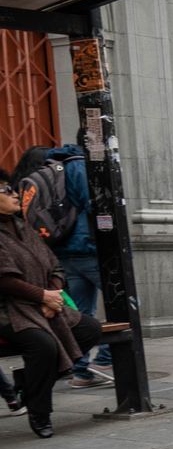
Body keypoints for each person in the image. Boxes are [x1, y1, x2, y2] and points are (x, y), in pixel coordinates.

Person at [1, 167, 104, 438]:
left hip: (44, 303)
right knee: (43, 345)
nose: (14, 195)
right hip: (10, 311)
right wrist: (42, 296)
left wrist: (53, 296)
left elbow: (54, 266)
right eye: (6, 190)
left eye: (12, 189)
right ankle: (40, 411)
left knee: (90, 329)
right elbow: (5, 281)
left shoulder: (24, 226)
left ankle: (29, 381)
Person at [31, 143, 116, 388]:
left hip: (61, 248)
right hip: (87, 247)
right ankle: (104, 359)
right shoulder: (78, 165)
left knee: (80, 313)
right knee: (127, 304)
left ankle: (80, 371)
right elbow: (96, 204)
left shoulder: (47, 170)